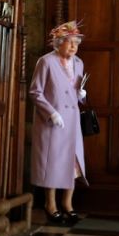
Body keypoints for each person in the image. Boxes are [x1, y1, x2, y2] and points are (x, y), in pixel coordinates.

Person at [29, 20, 89, 224]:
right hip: (52, 122)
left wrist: (81, 95)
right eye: (69, 42)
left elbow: (75, 95)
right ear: (58, 42)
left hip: (71, 122)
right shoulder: (46, 62)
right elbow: (35, 92)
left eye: (77, 43)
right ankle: (50, 204)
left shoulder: (79, 63)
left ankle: (68, 204)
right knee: (53, 163)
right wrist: (51, 113)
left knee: (73, 164)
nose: (74, 46)